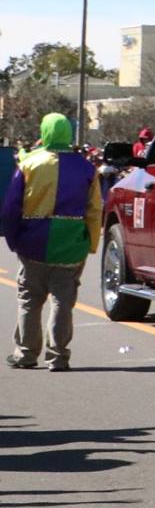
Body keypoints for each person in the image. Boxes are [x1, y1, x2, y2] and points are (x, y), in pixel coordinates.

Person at [1, 113, 103, 371]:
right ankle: (57, 356)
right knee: (62, 301)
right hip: (70, 245)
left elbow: (12, 208)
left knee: (30, 300)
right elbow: (94, 211)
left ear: (45, 132)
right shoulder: (87, 168)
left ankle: (26, 354)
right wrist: (91, 243)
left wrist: (14, 241)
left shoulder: (30, 164)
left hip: (33, 242)